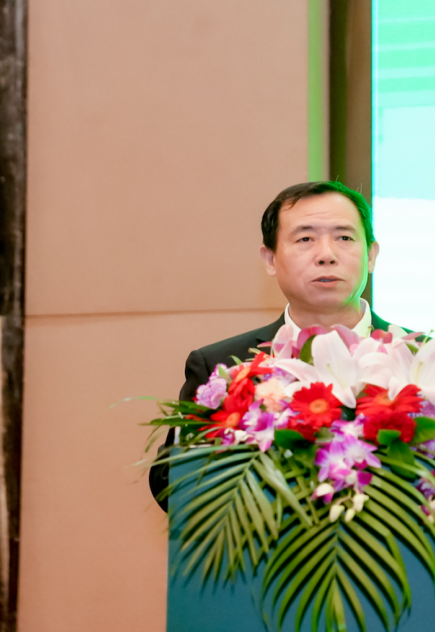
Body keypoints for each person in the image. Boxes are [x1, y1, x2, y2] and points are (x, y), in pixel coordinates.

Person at [149, 180, 406, 511]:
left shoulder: (422, 359)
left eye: (344, 237)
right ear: (270, 259)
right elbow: (170, 481)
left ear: (371, 256)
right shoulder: (222, 366)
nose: (326, 255)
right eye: (305, 239)